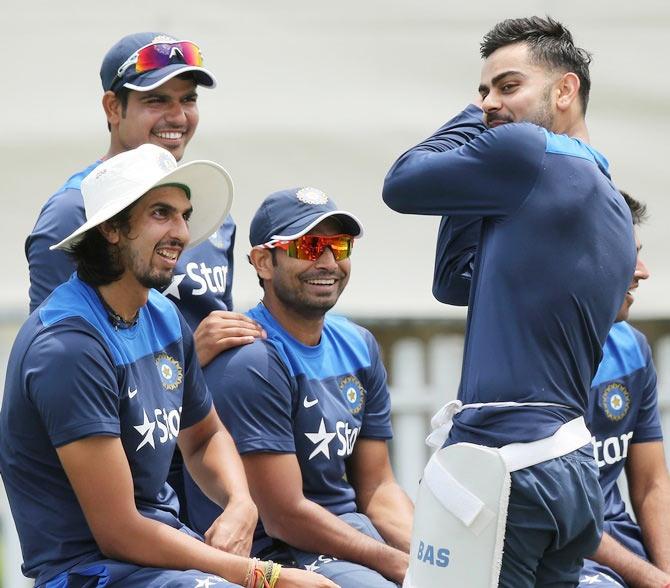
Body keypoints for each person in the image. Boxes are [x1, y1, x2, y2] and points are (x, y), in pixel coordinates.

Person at [0, 144, 335, 588]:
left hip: (164, 558)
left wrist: (240, 502)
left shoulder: (161, 313)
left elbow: (203, 437)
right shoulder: (67, 347)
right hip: (89, 571)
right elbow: (119, 532)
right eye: (161, 214)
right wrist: (265, 576)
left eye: (184, 215)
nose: (181, 232)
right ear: (113, 229)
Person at [383, 16, 636, 586]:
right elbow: (453, 282)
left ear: (565, 90)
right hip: (570, 473)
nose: (491, 102)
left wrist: (474, 123)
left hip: (504, 466)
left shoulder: (527, 152)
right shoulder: (611, 201)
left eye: (507, 86)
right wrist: (472, 183)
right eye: (482, 91)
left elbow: (400, 183)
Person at [24, 31, 264, 521]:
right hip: (121, 466)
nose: (177, 117)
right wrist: (188, 354)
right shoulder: (75, 211)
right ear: (113, 108)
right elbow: (61, 364)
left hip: (201, 452)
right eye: (156, 100)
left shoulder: (204, 207)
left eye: (188, 100)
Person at [184, 187, 414, 587]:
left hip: (347, 536)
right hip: (273, 552)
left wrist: (427, 555)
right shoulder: (251, 359)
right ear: (263, 262)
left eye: (339, 246)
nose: (327, 262)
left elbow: (378, 485)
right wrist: (395, 564)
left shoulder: (358, 345)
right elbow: (283, 515)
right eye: (308, 247)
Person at [579, 193, 670, 587]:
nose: (643, 272)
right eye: (625, 254)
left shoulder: (631, 348)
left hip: (621, 545)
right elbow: (564, 518)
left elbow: (652, 485)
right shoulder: (532, 360)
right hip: (559, 552)